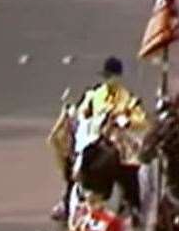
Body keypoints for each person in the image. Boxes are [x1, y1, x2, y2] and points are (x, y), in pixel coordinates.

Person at [50, 56, 147, 221]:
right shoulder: (94, 95)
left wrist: (126, 121)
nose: (108, 80)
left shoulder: (128, 98)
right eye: (106, 77)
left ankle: (134, 205)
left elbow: (142, 121)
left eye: (111, 77)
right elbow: (82, 111)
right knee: (73, 162)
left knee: (129, 168)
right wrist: (77, 113)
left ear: (118, 77)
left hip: (117, 140)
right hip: (93, 136)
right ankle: (66, 201)